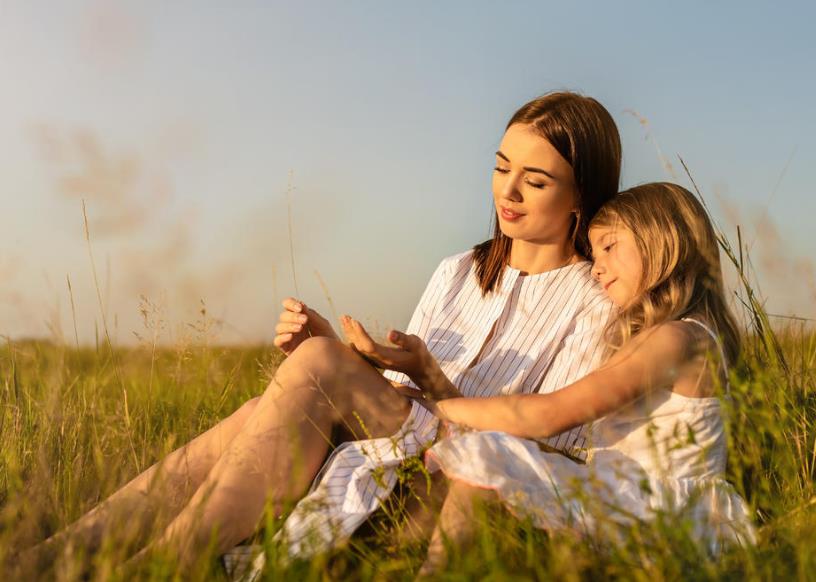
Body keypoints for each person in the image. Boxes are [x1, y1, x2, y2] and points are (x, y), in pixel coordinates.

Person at [25, 91, 621, 572]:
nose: (507, 191)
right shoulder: (461, 270)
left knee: (323, 369)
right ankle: (56, 558)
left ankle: (161, 567)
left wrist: (406, 378)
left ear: (581, 197)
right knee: (276, 394)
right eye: (500, 167)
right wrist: (334, 361)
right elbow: (391, 399)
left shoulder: (597, 302)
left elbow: (550, 452)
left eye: (535, 181)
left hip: (470, 493)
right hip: (388, 458)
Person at [361, 182, 755, 575]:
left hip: (658, 513)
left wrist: (436, 407)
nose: (596, 266)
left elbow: (549, 414)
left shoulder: (675, 338)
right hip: (626, 496)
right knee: (494, 468)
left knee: (489, 464)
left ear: (662, 242)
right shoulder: (679, 336)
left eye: (609, 247)